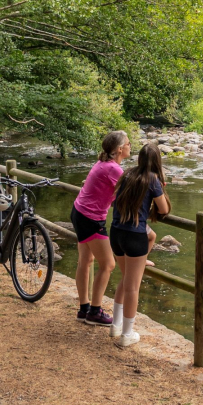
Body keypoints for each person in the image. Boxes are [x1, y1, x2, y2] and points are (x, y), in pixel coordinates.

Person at [109, 142, 170, 348]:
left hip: (116, 233)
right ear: (157, 161)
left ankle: (115, 326)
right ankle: (127, 334)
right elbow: (163, 210)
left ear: (139, 159)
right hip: (135, 237)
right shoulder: (152, 179)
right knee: (133, 287)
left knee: (125, 279)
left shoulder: (127, 174)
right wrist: (162, 191)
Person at [70, 130, 131, 325]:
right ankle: (95, 312)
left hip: (79, 212)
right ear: (120, 149)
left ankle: (84, 309)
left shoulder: (103, 163)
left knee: (85, 261)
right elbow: (130, 196)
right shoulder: (114, 169)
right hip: (90, 218)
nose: (131, 146)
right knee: (108, 264)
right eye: (128, 143)